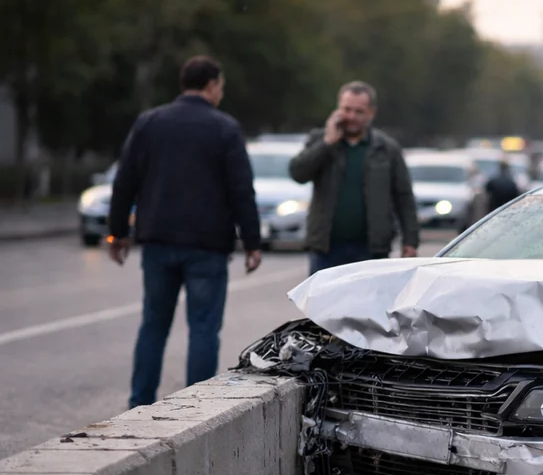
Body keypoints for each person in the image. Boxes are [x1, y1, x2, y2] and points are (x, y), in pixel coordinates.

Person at [108, 55, 262, 409]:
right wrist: (252, 242)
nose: (221, 93)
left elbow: (125, 181)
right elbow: (241, 189)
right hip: (207, 246)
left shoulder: (150, 123)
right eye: (221, 86)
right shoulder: (225, 128)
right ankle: (195, 408)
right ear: (211, 85)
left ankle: (139, 403)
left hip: (158, 242)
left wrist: (117, 233)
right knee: (204, 329)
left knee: (153, 326)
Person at [289, 81, 419, 275]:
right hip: (326, 249)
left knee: (369, 305)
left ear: (371, 113)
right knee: (323, 305)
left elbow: (403, 197)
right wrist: (327, 143)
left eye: (359, 111)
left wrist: (410, 240)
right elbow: (298, 173)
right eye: (346, 109)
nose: (351, 117)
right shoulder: (320, 140)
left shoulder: (386, 149)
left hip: (371, 250)